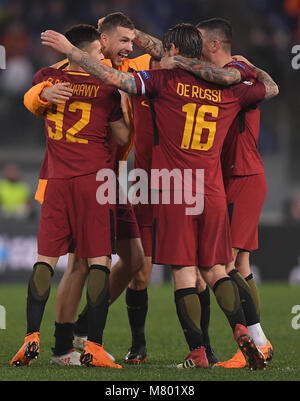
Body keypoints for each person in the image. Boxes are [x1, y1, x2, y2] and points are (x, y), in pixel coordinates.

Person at [41, 22, 278, 370]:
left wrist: (72, 52)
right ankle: (245, 333)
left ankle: (198, 354)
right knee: (215, 269)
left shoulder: (162, 82)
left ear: (169, 51)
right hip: (212, 191)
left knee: (184, 272)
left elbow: (113, 80)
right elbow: (269, 88)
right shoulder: (229, 89)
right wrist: (251, 67)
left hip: (174, 190)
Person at [10, 24, 129, 369]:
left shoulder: (47, 78)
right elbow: (122, 137)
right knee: (98, 262)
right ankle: (93, 345)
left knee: (46, 259)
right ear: (84, 52)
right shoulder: (106, 86)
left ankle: (31, 338)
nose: (101, 56)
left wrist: (44, 95)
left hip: (56, 181)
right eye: (97, 52)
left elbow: (33, 95)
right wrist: (119, 109)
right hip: (94, 181)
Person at [159, 17, 274, 368]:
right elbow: (270, 87)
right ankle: (214, 348)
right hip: (224, 180)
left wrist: (248, 66)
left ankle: (255, 344)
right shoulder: (218, 81)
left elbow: (272, 89)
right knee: (229, 265)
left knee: (224, 265)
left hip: (241, 175)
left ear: (212, 46)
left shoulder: (235, 75)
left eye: (201, 45)